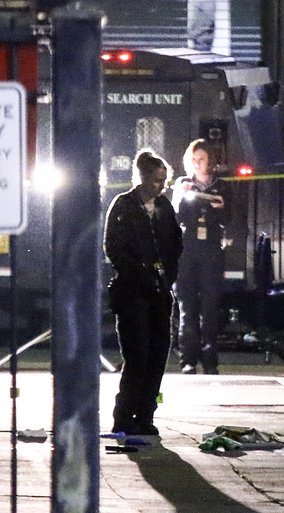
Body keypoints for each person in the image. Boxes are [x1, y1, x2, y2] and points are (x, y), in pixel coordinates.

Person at [104, 149, 183, 436]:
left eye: (163, 181)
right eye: (155, 181)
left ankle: (146, 416)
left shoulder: (164, 208)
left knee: (158, 354)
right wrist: (139, 272)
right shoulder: (123, 205)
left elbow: (175, 245)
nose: (159, 186)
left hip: (160, 294)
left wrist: (167, 276)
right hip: (133, 292)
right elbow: (112, 247)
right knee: (137, 356)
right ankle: (124, 416)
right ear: (142, 178)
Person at [171, 139, 230, 375]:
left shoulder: (222, 186)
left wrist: (221, 208)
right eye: (193, 160)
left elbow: (231, 219)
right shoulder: (182, 184)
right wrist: (181, 197)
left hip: (211, 251)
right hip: (187, 250)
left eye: (202, 159)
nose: (197, 164)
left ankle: (210, 360)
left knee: (210, 306)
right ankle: (187, 360)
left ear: (210, 162)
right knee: (187, 307)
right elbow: (175, 215)